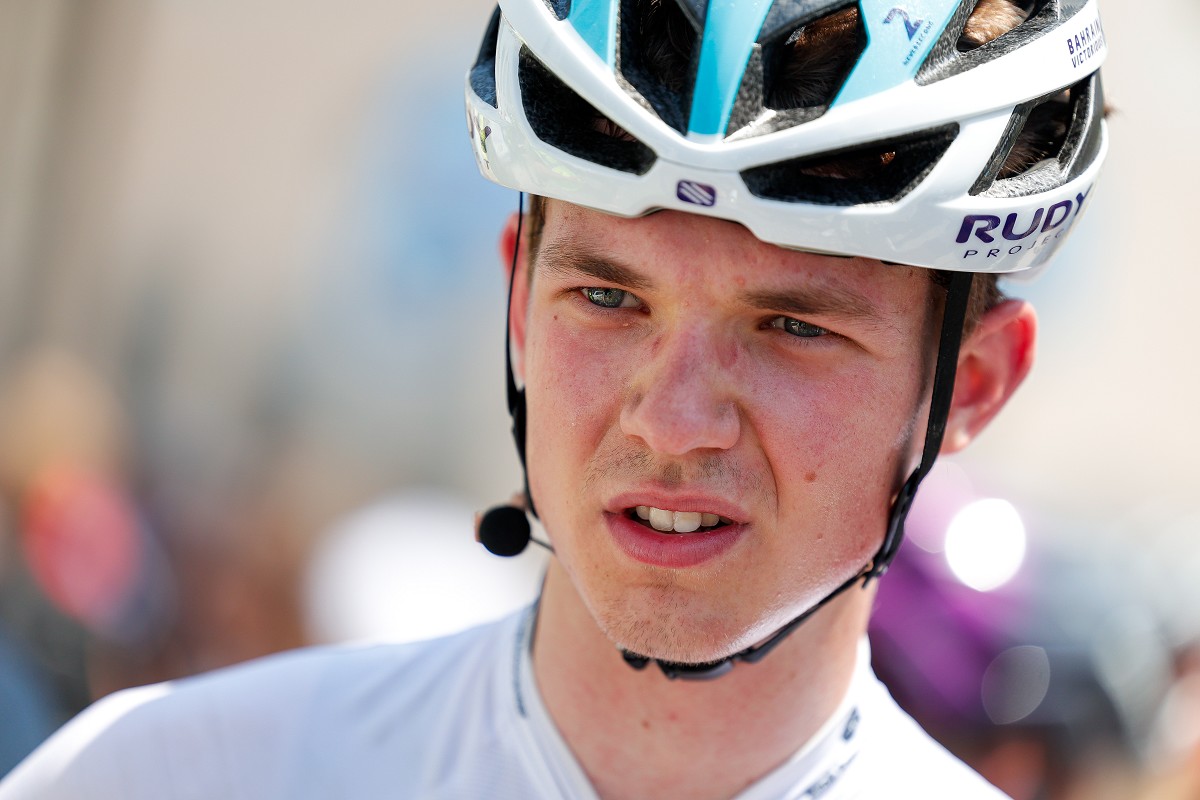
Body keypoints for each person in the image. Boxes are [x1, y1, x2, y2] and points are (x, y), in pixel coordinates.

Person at [0, 0, 1108, 797]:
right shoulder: (158, 775)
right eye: (608, 298)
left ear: (972, 385)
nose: (673, 420)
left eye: (794, 326)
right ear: (520, 305)